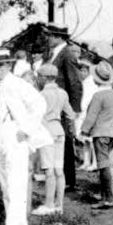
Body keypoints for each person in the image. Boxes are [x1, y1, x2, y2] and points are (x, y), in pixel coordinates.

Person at [0, 49, 51, 225]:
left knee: (16, 181)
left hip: (14, 133)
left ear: (9, 65)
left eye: (2, 65)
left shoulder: (16, 83)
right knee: (6, 183)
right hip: (0, 133)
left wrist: (27, 128)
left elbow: (39, 103)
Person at [46, 24, 83, 195]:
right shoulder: (54, 54)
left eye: (51, 35)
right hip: (55, 105)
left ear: (59, 37)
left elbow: (75, 82)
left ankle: (69, 180)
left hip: (63, 106)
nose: (48, 38)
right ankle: (61, 176)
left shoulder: (67, 54)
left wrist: (74, 110)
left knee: (66, 142)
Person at [34, 64, 74, 216]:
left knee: (49, 170)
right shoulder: (63, 93)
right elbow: (70, 114)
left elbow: (37, 116)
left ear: (44, 78)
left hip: (46, 131)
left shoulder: (41, 95)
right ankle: (59, 204)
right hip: (59, 130)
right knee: (59, 169)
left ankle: (49, 204)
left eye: (39, 77)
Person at [80, 62, 113, 209]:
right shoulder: (112, 94)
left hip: (100, 133)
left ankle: (108, 198)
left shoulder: (98, 95)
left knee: (103, 166)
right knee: (106, 164)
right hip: (110, 132)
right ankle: (105, 195)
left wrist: (83, 131)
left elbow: (91, 116)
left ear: (97, 80)